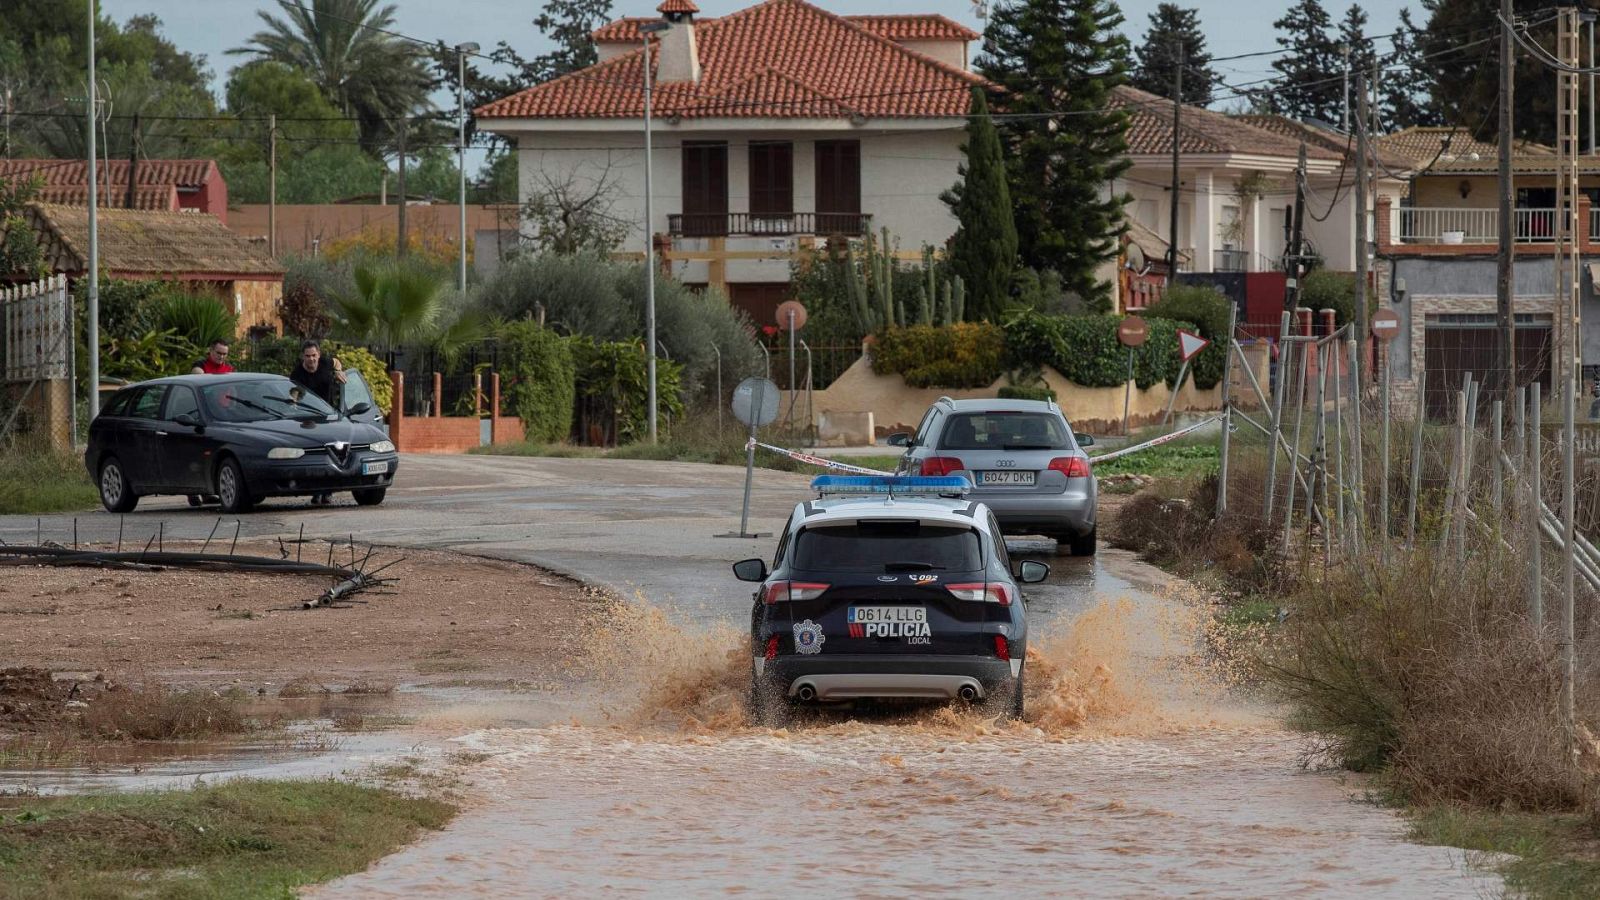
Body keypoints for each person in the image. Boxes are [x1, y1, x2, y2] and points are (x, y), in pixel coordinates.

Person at [291, 340, 346, 505]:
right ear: (303, 357)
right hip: (308, 420)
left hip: (329, 417)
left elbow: (336, 362)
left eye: (314, 355)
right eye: (307, 356)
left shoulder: (325, 363)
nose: (311, 359)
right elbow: (293, 398)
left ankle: (327, 492)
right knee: (316, 456)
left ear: (319, 355)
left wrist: (338, 371)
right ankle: (316, 492)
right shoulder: (297, 375)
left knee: (332, 454)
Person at [187, 339, 233, 506]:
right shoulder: (201, 366)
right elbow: (197, 376)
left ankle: (208, 492)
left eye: (224, 354)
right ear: (210, 351)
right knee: (196, 456)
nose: (221, 357)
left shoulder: (229, 370)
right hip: (201, 417)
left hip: (222, 416)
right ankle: (193, 491)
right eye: (218, 353)